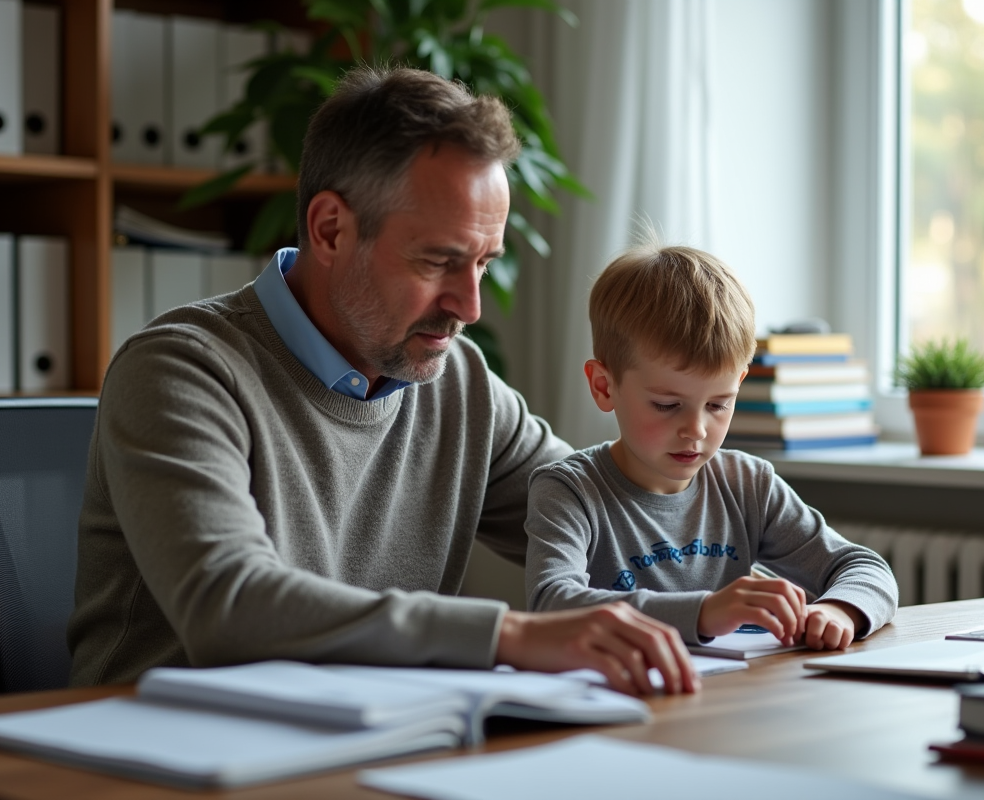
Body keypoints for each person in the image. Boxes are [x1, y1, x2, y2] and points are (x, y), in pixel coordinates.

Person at [67, 66, 698, 697]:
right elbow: (228, 604)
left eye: (484, 262)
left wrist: (755, 590)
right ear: (331, 230)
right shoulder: (182, 371)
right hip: (166, 765)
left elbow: (613, 520)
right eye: (438, 261)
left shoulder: (461, 384)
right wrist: (508, 636)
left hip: (374, 742)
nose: (470, 306)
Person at [524, 244, 898, 649]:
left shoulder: (748, 485)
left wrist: (839, 609)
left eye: (719, 404)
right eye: (668, 405)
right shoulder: (568, 491)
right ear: (604, 385)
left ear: (739, 383)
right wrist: (705, 613)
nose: (696, 430)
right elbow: (552, 603)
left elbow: (864, 568)